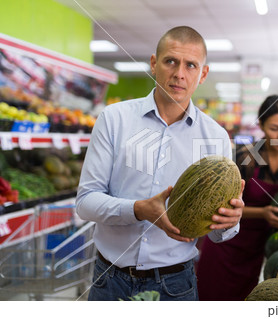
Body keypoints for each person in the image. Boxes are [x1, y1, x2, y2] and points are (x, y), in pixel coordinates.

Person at [76, 26, 244, 301]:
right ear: (154, 64)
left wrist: (228, 223)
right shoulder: (114, 119)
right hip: (110, 281)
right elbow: (85, 202)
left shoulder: (215, 137)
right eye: (170, 61)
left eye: (191, 65)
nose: (179, 73)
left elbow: (217, 236)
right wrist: (139, 209)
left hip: (175, 286)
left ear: (202, 74)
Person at [196, 95, 278, 301]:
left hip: (257, 246)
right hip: (226, 243)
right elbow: (220, 206)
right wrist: (263, 213)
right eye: (274, 128)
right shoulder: (245, 157)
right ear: (261, 125)